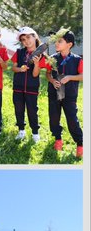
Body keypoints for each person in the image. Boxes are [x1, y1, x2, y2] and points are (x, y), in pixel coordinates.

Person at [46, 30, 83, 158]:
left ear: (69, 44)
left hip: (69, 94)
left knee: (72, 120)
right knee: (54, 117)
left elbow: (83, 76)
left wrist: (69, 77)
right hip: (54, 93)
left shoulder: (78, 60)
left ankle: (80, 144)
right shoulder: (52, 58)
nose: (56, 43)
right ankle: (58, 139)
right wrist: (52, 80)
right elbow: (48, 74)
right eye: (56, 41)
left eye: (60, 41)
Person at [11, 27, 46, 143]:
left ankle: (35, 133)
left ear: (34, 36)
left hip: (32, 88)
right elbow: (14, 68)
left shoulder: (40, 54)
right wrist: (20, 69)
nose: (26, 41)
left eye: (28, 37)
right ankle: (21, 130)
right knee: (19, 109)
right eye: (23, 39)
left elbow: (35, 74)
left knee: (32, 110)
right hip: (18, 87)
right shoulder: (19, 52)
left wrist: (36, 64)